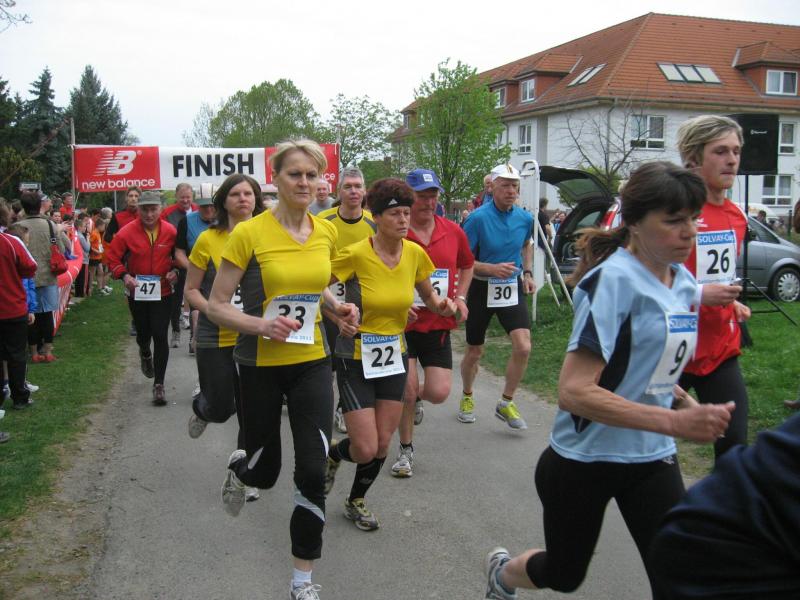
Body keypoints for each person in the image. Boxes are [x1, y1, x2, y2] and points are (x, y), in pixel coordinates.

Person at [482, 161, 736, 600]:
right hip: (585, 460)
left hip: (652, 458)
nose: (689, 232)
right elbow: (573, 391)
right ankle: (503, 575)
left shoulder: (681, 280)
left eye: (693, 219)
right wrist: (674, 422)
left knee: (677, 576)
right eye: (673, 221)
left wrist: (681, 402)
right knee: (565, 574)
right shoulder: (612, 282)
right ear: (634, 222)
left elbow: (646, 365)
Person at [207, 139, 358, 600]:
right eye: (295, 174)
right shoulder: (249, 233)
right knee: (266, 471)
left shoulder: (325, 231)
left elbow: (315, 286)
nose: (305, 182)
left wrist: (335, 308)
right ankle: (241, 470)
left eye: (312, 174)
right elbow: (216, 305)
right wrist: (261, 325)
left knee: (311, 470)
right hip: (259, 364)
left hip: (311, 361)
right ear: (276, 179)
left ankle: (301, 580)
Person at [324, 177, 456, 531]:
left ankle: (356, 500)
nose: (403, 220)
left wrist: (446, 306)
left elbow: (430, 299)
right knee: (365, 447)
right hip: (355, 355)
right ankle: (335, 454)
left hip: (393, 355)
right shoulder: (356, 253)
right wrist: (337, 315)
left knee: (382, 443)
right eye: (395, 214)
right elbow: (317, 283)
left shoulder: (414, 254)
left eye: (406, 213)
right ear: (377, 216)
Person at [649, 413, 800, 599]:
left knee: (733, 434)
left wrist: (678, 400)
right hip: (712, 555)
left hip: (656, 455)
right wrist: (674, 419)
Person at [390, 168, 474, 478]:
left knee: (438, 392)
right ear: (408, 197)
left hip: (437, 324)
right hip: (402, 325)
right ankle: (405, 450)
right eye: (421, 196)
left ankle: (407, 399)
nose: (428, 202)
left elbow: (467, 264)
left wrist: (461, 298)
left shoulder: (452, 231)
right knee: (408, 389)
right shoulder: (395, 232)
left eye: (433, 195)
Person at [676, 115, 751, 462]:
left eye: (736, 151)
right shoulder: (674, 211)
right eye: (720, 151)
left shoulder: (737, 216)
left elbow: (715, 274)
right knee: (637, 443)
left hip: (718, 347)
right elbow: (644, 279)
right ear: (693, 157)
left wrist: (730, 301)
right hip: (670, 345)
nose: (732, 160)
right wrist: (698, 295)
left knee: (734, 445)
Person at [183, 174, 261, 501]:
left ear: (257, 199)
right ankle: (203, 409)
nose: (243, 199)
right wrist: (214, 310)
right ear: (223, 202)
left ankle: (245, 473)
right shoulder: (208, 240)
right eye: (235, 194)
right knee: (221, 408)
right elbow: (191, 290)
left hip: (254, 337)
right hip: (216, 336)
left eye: (249, 193)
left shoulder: (268, 236)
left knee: (251, 412)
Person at [459, 163, 535, 429]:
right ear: (492, 187)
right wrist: (490, 269)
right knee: (475, 351)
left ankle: (506, 402)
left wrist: (527, 273)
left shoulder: (525, 218)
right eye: (505, 186)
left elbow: (526, 245)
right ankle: (467, 395)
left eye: (515, 186)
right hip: (481, 287)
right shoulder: (477, 219)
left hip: (511, 286)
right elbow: (463, 261)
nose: (511, 191)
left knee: (523, 346)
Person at [318, 168, 377, 434]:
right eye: (348, 186)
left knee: (350, 357)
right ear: (339, 191)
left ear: (364, 191)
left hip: (360, 297)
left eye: (358, 186)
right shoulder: (323, 220)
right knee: (329, 359)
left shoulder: (374, 222)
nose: (354, 191)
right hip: (327, 294)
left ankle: (344, 407)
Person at [105, 191, 179, 405]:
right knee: (143, 332)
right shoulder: (127, 232)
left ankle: (159, 384)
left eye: (153, 209)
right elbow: (112, 258)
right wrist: (124, 275)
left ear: (160, 209)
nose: (149, 214)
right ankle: (145, 352)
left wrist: (176, 271)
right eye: (144, 210)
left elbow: (179, 257)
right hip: (137, 290)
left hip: (163, 291)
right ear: (138, 210)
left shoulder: (170, 231)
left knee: (160, 334)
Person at [18, 192, 65, 363]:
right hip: (48, 275)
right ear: (40, 206)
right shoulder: (51, 225)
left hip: (26, 278)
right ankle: (48, 350)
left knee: (31, 316)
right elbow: (61, 249)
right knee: (47, 315)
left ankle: (33, 352)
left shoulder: (17, 227)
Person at [0, 203, 37, 415]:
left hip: (11, 306)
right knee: (16, 355)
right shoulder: (12, 242)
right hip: (12, 307)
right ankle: (20, 397)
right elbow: (30, 267)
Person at [175, 189, 217, 356]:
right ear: (197, 206)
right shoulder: (186, 221)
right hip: (195, 270)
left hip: (221, 273)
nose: (209, 210)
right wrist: (193, 269)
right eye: (204, 206)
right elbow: (179, 252)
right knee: (198, 306)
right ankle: (196, 337)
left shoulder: (227, 220)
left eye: (212, 206)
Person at [162, 183, 198, 349]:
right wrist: (171, 264)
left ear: (192, 197)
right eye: (182, 197)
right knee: (176, 298)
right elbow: (164, 238)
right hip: (177, 261)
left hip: (197, 261)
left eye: (188, 197)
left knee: (195, 297)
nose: (185, 200)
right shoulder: (167, 213)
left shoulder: (199, 209)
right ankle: (176, 330)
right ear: (176, 196)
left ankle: (193, 337)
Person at [105, 186, 141, 337]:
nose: (133, 198)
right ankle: (135, 321)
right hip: (127, 259)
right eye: (131, 196)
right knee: (131, 291)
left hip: (144, 256)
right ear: (126, 198)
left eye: (136, 196)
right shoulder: (118, 216)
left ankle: (146, 319)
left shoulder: (145, 214)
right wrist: (120, 244)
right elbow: (107, 237)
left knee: (144, 290)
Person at [89, 219, 111, 295]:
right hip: (93, 257)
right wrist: (96, 251)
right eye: (103, 226)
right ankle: (89, 288)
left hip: (99, 256)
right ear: (99, 226)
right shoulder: (94, 233)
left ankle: (100, 288)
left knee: (101, 272)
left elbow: (98, 244)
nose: (104, 228)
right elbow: (89, 245)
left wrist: (100, 250)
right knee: (92, 274)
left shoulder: (98, 233)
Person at [74, 213, 92, 297]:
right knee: (83, 277)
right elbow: (87, 248)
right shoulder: (81, 236)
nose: (85, 228)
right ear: (79, 227)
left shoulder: (75, 234)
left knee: (79, 277)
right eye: (84, 226)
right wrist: (88, 239)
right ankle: (82, 293)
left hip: (78, 259)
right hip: (84, 259)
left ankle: (78, 293)